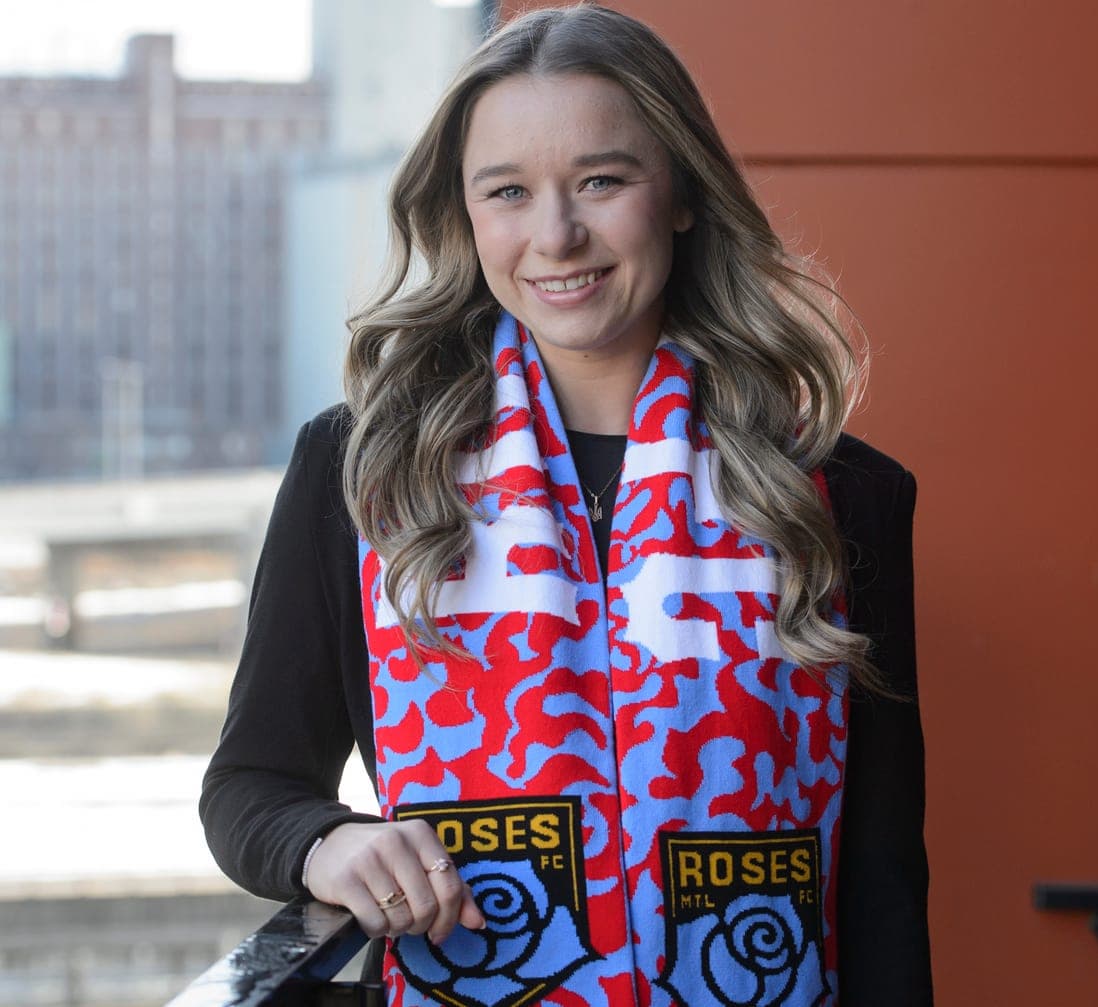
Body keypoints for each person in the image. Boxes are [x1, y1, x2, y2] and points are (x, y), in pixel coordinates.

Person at [201, 5, 932, 1005]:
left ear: (678, 192)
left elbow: (883, 877)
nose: (557, 234)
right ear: (464, 215)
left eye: (602, 179)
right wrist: (329, 842)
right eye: (508, 191)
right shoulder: (365, 471)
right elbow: (249, 785)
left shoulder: (834, 494)